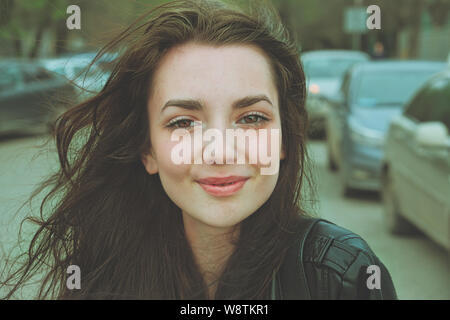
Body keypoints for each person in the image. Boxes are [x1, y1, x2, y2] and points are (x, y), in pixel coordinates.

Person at [0, 0, 397, 300]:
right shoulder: (100, 271)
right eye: (183, 122)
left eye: (252, 118)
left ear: (284, 140)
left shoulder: (339, 275)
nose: (220, 150)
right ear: (147, 150)